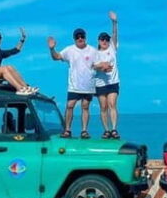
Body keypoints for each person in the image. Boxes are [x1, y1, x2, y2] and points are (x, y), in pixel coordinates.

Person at [48, 29, 112, 139]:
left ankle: (84, 131)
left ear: (85, 37)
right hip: (74, 85)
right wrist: (52, 48)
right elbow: (56, 57)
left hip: (88, 85)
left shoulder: (92, 50)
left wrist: (104, 67)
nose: (80, 38)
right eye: (77, 37)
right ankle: (67, 130)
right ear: (74, 39)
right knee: (70, 106)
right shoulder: (69, 50)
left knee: (85, 107)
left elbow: (96, 65)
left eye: (82, 36)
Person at [95, 11, 121, 139]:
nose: (104, 41)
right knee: (103, 106)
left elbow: (115, 34)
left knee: (112, 104)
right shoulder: (95, 53)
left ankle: (114, 129)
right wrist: (101, 66)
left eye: (106, 39)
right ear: (99, 41)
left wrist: (114, 22)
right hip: (100, 83)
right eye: (102, 39)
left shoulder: (112, 48)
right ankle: (106, 130)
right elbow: (91, 66)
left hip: (113, 82)